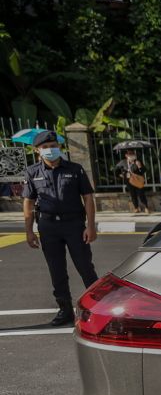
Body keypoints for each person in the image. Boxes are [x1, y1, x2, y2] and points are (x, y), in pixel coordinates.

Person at [22, 130, 99, 326]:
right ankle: (65, 310)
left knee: (85, 267)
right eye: (45, 147)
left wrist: (91, 226)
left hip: (74, 225)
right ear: (37, 150)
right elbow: (28, 203)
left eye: (53, 146)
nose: (50, 150)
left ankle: (98, 307)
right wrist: (29, 231)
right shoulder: (32, 172)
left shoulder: (75, 169)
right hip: (48, 227)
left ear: (59, 147)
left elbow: (88, 198)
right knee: (57, 270)